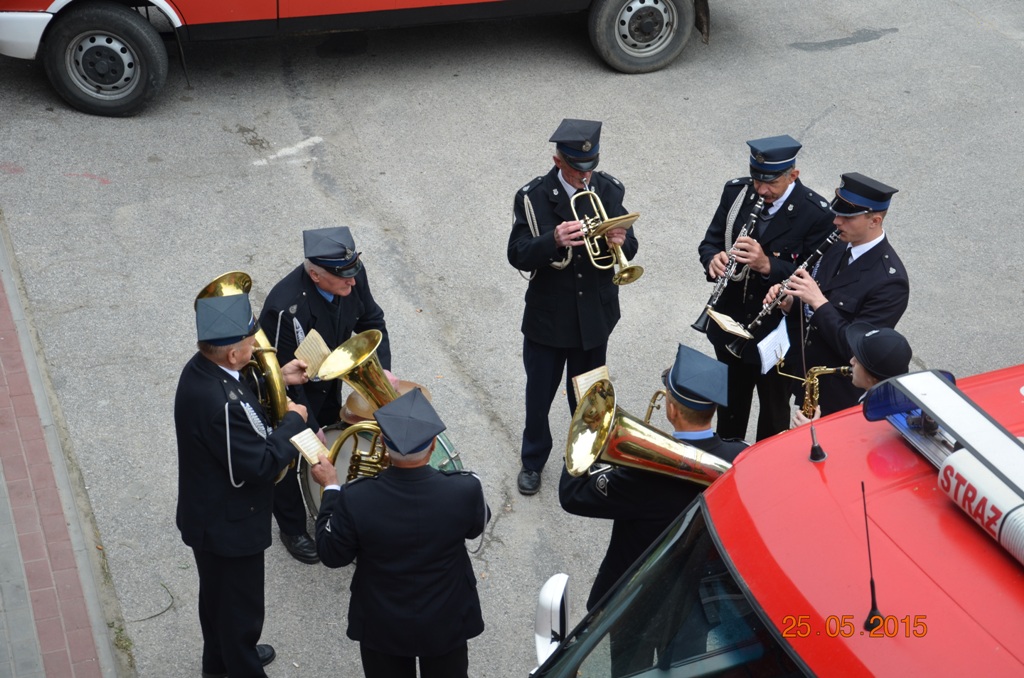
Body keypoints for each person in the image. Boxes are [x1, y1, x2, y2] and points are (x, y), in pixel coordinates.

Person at [559, 344, 747, 675]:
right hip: (696, 602)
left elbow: (572, 495)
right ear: (713, 410)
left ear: (672, 410)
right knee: (686, 669)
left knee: (631, 668)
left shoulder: (642, 474)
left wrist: (583, 435)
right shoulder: (739, 457)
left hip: (636, 601)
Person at [175, 292, 311, 678]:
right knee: (240, 613)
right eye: (251, 341)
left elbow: (240, 392)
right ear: (232, 354)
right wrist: (292, 422)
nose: (257, 344)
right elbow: (262, 464)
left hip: (212, 518)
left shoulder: (207, 369)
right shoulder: (222, 403)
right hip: (228, 526)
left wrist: (279, 380)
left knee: (219, 604)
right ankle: (240, 662)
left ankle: (219, 664)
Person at [311, 389, 490, 678]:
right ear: (433, 445)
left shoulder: (355, 498)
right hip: (446, 616)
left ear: (382, 442)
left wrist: (332, 487)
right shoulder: (465, 489)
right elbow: (475, 528)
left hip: (383, 621)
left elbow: (332, 555)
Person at [508, 118, 639, 495]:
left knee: (589, 396)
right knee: (539, 397)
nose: (586, 177)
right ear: (557, 161)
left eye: (590, 167)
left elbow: (628, 248)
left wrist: (623, 240)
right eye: (577, 169)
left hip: (594, 316)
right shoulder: (532, 197)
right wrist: (553, 239)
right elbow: (517, 253)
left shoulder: (609, 189)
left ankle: (587, 455)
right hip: (549, 319)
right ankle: (533, 461)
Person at [259, 226, 392, 564]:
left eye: (353, 274)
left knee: (333, 443)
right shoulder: (284, 309)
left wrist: (384, 370)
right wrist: (309, 426)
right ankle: (291, 527)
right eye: (343, 278)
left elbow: (372, 319)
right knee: (290, 458)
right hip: (292, 396)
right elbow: (283, 380)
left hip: (328, 379)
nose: (352, 282)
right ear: (316, 276)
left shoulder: (350, 275)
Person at [697, 134, 834, 442]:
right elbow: (710, 242)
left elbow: (815, 278)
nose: (760, 190)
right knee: (729, 409)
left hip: (775, 334)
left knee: (773, 414)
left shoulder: (816, 213)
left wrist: (767, 265)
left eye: (770, 183)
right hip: (730, 322)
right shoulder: (737, 193)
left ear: (793, 176)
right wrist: (713, 260)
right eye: (756, 179)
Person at [771, 172, 910, 417]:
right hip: (807, 377)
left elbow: (857, 349)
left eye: (847, 217)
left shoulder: (890, 282)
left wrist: (817, 300)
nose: (836, 221)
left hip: (839, 397)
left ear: (874, 221)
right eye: (837, 214)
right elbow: (813, 311)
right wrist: (791, 303)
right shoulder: (836, 245)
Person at [791, 322, 912, 426]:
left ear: (873, 378)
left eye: (857, 361)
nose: (851, 361)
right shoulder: (888, 399)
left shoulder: (870, 419)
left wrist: (813, 432)